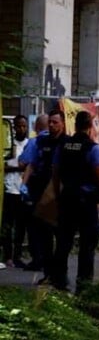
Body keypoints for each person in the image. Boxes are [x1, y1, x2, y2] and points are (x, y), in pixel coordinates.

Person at [51, 110, 99, 293]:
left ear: (75, 125)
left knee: (63, 242)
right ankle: (84, 285)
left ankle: (58, 282)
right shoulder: (92, 149)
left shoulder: (63, 147)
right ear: (90, 127)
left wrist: (57, 196)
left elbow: (55, 174)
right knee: (87, 245)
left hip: (67, 200)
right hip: (86, 203)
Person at [22, 111, 64, 281]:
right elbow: (31, 164)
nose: (52, 126)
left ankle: (60, 275)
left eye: (55, 122)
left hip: (58, 195)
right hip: (41, 194)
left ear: (62, 124)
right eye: (50, 123)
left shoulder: (66, 143)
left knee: (61, 238)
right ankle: (48, 274)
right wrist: (24, 184)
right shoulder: (41, 141)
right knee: (44, 238)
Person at [2, 115, 30, 269]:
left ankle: (18, 256)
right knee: (7, 225)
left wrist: (19, 166)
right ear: (14, 128)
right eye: (18, 126)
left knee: (21, 226)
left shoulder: (29, 145)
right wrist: (18, 167)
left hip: (23, 191)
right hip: (9, 189)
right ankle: (7, 256)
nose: (21, 129)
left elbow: (30, 165)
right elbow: (4, 166)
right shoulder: (8, 145)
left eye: (24, 126)